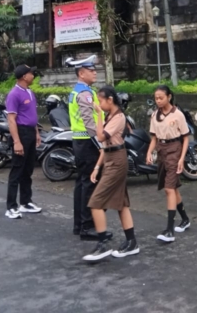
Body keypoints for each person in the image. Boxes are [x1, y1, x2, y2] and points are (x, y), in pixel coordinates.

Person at [82, 86, 139, 262]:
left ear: (110, 100)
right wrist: (97, 167)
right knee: (122, 204)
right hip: (110, 158)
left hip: (117, 161)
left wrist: (98, 114)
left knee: (95, 202)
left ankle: (102, 244)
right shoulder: (110, 116)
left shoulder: (118, 117)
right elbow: (105, 146)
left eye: (100, 101)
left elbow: (100, 137)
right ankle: (132, 242)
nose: (99, 104)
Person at [69, 56, 111, 241]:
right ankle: (88, 227)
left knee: (82, 183)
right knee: (90, 184)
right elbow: (89, 123)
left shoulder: (77, 91)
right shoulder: (85, 94)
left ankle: (79, 225)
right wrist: (100, 144)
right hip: (88, 142)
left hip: (80, 142)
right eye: (91, 70)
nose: (95, 72)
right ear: (81, 73)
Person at [146, 85, 191, 243]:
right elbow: (154, 138)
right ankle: (185, 219)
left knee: (169, 188)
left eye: (161, 98)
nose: (158, 101)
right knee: (173, 188)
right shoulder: (155, 115)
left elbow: (185, 137)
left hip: (174, 149)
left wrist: (181, 158)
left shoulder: (178, 114)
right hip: (161, 150)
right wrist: (149, 152)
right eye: (156, 98)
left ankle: (170, 230)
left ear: (169, 97)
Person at [5, 64, 42, 220]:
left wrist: (37, 133)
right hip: (21, 133)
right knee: (17, 170)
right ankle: (11, 206)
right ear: (24, 76)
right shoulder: (14, 94)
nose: (33, 75)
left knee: (28, 170)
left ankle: (25, 202)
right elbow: (11, 120)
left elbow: (32, 116)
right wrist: (17, 142)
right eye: (31, 73)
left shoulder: (30, 92)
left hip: (31, 132)